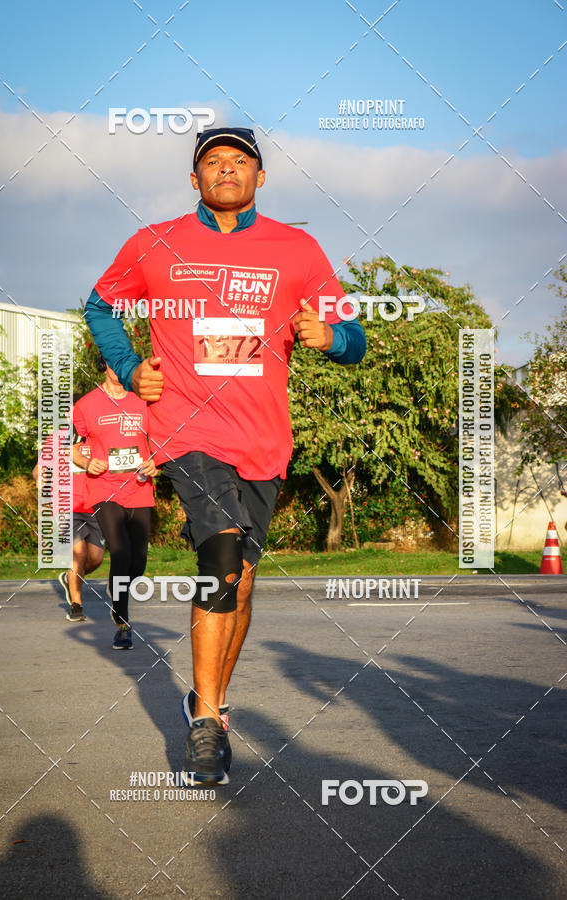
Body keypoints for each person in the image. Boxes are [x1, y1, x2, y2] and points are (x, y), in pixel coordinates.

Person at [84, 126, 366, 783]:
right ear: (195, 179)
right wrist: (128, 367)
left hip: (264, 442)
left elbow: (356, 339)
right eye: (213, 162)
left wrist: (329, 335)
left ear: (260, 177)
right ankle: (207, 724)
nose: (227, 170)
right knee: (220, 555)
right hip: (186, 430)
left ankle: (206, 700)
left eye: (240, 161)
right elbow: (101, 305)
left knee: (240, 581)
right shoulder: (156, 243)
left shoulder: (298, 250)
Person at [72, 355, 159, 649]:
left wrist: (155, 462)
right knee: (120, 553)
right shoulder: (85, 405)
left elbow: (158, 442)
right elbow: (73, 449)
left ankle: (116, 585)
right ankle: (122, 621)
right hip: (104, 489)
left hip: (139, 489)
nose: (118, 370)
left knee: (139, 560)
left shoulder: (144, 401)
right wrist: (87, 463)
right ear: (105, 367)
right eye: (113, 364)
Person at [33, 395, 105, 622]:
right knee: (78, 552)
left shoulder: (96, 439)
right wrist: (40, 477)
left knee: (95, 558)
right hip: (65, 506)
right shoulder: (57, 439)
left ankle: (70, 578)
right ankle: (76, 604)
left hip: (93, 506)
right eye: (67, 413)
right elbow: (39, 468)